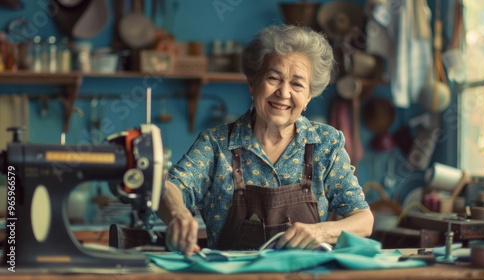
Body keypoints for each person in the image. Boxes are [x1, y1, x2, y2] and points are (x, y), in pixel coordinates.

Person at [158, 24, 373, 256]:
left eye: (297, 84)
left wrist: (321, 232)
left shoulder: (326, 143)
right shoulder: (216, 144)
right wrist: (179, 215)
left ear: (309, 96)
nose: (283, 93)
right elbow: (169, 188)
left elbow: (363, 220)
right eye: (273, 78)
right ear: (252, 83)